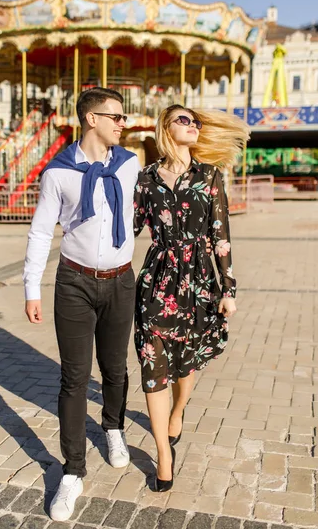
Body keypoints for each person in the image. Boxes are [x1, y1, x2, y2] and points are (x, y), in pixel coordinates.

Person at [23, 87, 141, 521]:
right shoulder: (58, 173)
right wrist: (31, 288)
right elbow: (40, 232)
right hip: (73, 283)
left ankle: (112, 428)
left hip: (121, 282)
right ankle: (72, 471)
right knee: (74, 379)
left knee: (115, 368)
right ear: (92, 119)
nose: (122, 124)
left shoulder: (130, 165)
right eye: (116, 117)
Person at [133, 105, 249, 492]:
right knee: (153, 365)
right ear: (166, 127)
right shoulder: (145, 179)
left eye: (196, 121)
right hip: (156, 279)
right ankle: (163, 455)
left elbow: (221, 235)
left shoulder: (210, 176)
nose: (193, 125)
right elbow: (128, 229)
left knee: (185, 365)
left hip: (198, 283)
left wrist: (227, 289)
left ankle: (179, 409)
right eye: (184, 120)